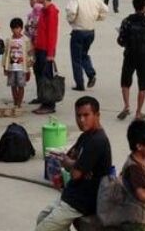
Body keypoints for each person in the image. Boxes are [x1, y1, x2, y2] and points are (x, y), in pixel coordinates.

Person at [35, 96, 112, 231]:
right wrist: (73, 163)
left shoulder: (98, 140)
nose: (81, 120)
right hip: (72, 194)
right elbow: (68, 157)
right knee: (42, 217)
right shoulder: (85, 136)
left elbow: (75, 173)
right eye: (78, 116)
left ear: (97, 115)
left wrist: (71, 164)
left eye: (86, 115)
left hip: (83, 201)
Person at [117, 0, 145, 121]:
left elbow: (121, 40)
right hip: (144, 56)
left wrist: (126, 43)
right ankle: (138, 112)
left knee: (125, 81)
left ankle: (126, 106)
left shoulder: (127, 21)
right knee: (143, 85)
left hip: (129, 54)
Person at [66, 0, 109, 91]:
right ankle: (90, 73)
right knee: (84, 54)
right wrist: (97, 18)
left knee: (76, 58)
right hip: (90, 31)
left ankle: (80, 83)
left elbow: (71, 12)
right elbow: (105, 10)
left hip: (78, 31)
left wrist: (71, 21)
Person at [32, 0, 61, 115]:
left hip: (45, 50)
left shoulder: (51, 11)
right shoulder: (43, 10)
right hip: (39, 48)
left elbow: (52, 34)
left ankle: (49, 103)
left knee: (46, 77)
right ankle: (42, 98)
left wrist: (50, 53)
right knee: (39, 74)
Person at [3, 18, 33, 108]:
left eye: (17, 28)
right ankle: (15, 102)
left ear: (21, 28)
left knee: (21, 85)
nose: (16, 30)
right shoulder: (8, 40)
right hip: (12, 67)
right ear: (11, 29)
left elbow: (30, 54)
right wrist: (4, 66)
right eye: (13, 28)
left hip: (22, 67)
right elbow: (5, 54)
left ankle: (19, 104)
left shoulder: (26, 40)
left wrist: (29, 69)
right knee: (13, 85)